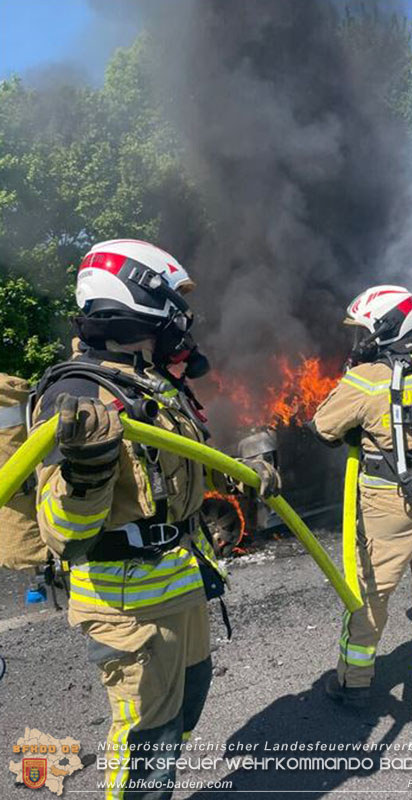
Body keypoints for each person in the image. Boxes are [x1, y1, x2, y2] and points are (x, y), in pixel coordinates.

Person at [31, 239, 279, 799]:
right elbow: (63, 533)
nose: (182, 316)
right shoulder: (75, 394)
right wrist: (87, 474)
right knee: (147, 739)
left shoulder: (151, 384)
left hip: (181, 583)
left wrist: (246, 472)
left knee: (188, 701)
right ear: (141, 301)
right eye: (173, 300)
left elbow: (180, 475)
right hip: (128, 604)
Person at [308, 285, 412, 739]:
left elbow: (323, 427)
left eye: (363, 329)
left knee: (370, 592)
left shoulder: (367, 377)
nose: (359, 338)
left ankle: (352, 683)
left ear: (383, 326)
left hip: (390, 504)